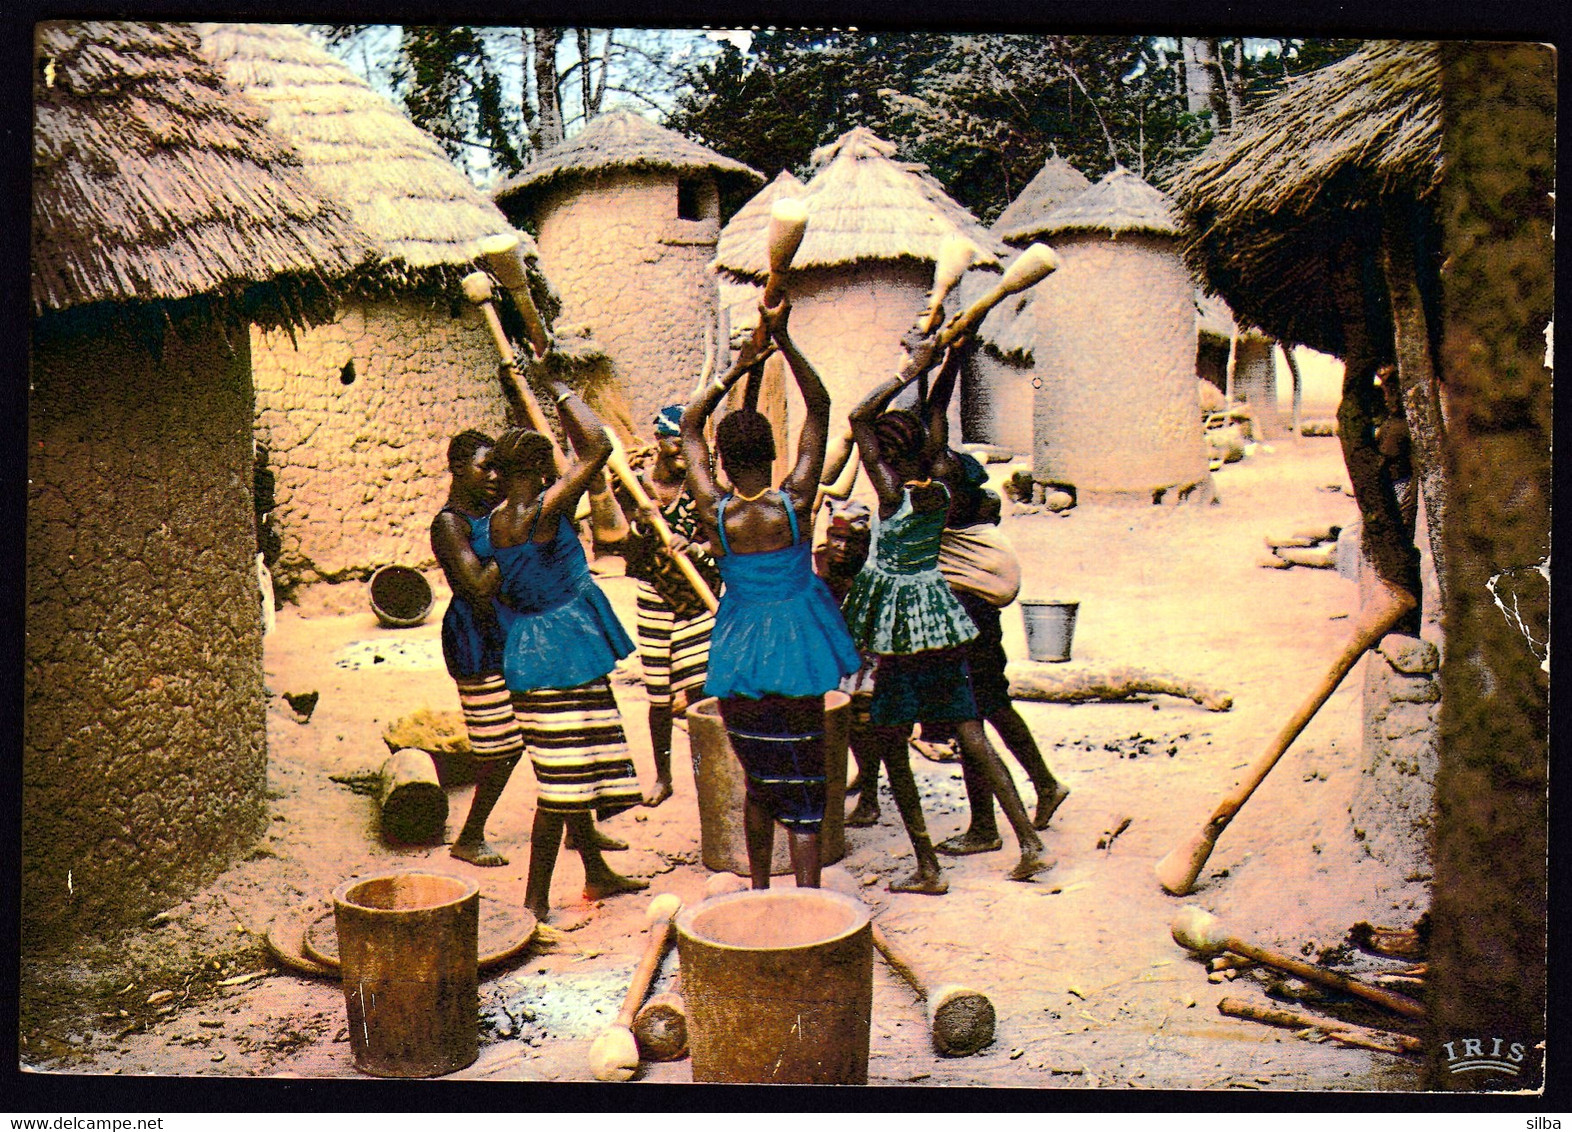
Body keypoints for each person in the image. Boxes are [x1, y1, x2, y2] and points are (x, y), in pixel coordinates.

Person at [840, 333, 1051, 894]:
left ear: (884, 458)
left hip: (904, 624)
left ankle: (928, 868)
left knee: (888, 739)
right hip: (941, 616)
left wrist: (910, 369)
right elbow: (936, 415)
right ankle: (1029, 842)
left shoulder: (890, 493)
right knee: (970, 729)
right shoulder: (940, 482)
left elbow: (860, 415)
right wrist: (946, 359)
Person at [681, 299, 861, 890]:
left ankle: (760, 892)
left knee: (760, 783)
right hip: (799, 648)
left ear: (725, 463)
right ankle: (808, 907)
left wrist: (737, 368)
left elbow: (687, 426)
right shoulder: (796, 499)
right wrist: (783, 339)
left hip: (741, 653)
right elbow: (822, 406)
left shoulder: (717, 512)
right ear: (773, 456)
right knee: (808, 794)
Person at [481, 382, 647, 923]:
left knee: (568, 766)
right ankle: (534, 903)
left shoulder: (499, 521)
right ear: (539, 467)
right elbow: (598, 448)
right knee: (560, 786)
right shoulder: (540, 513)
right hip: (559, 652)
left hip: (540, 649)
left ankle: (595, 872)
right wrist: (560, 387)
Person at [927, 458, 1071, 851]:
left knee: (968, 720)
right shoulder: (957, 482)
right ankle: (1045, 783)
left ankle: (984, 828)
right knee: (994, 706)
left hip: (968, 614)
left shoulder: (940, 491)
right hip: (980, 614)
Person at [602, 406, 722, 806]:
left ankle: (711, 773)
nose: (680, 454)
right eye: (674, 445)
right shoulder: (634, 487)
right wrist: (639, 525)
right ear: (659, 442)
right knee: (658, 697)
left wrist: (697, 549)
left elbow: (719, 543)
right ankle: (664, 777)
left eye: (686, 446)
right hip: (655, 600)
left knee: (703, 694)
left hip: (695, 602)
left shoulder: (702, 487)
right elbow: (626, 557)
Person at [431, 429, 523, 867]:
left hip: (508, 632)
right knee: (503, 747)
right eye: (484, 466)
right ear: (456, 468)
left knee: (542, 731)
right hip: (475, 639)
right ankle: (469, 837)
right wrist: (520, 539)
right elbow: (479, 586)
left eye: (499, 468)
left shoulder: (492, 513)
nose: (494, 476)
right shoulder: (450, 524)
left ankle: (579, 829)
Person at [812, 501, 882, 828]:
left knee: (864, 723)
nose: (842, 547)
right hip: (837, 651)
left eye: (851, 540)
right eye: (836, 537)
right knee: (844, 720)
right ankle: (864, 778)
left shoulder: (871, 571)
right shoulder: (823, 562)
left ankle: (870, 797)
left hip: (867, 653)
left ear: (865, 543)